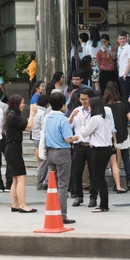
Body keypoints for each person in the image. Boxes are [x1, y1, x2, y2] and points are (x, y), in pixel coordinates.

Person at [41, 92, 78, 223]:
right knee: (63, 185)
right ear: (63, 105)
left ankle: (52, 211)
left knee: (53, 185)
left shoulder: (48, 117)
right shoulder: (62, 119)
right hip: (62, 153)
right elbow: (68, 138)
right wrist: (76, 137)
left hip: (50, 153)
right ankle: (62, 215)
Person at [5, 94, 38, 213]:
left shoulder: (11, 115)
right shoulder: (13, 116)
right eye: (22, 102)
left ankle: (15, 204)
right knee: (21, 177)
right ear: (16, 104)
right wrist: (32, 113)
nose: (24, 105)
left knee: (15, 179)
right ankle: (22, 205)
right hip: (13, 149)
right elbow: (29, 127)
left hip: (12, 148)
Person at [80, 97, 113, 213]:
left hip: (98, 150)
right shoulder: (105, 119)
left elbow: (84, 133)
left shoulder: (95, 119)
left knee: (98, 177)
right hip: (106, 149)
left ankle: (103, 205)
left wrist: (83, 122)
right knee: (100, 177)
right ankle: (104, 203)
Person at [69, 88, 98, 208]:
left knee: (93, 172)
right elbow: (68, 125)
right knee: (77, 171)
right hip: (79, 145)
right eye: (81, 99)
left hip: (91, 145)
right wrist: (71, 116)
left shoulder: (95, 112)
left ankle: (93, 197)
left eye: (85, 99)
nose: (83, 101)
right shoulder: (77, 111)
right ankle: (78, 196)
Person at [103, 82, 130, 191]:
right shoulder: (123, 105)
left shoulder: (104, 107)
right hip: (124, 135)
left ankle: (116, 184)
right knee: (126, 159)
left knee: (113, 161)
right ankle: (129, 182)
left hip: (111, 137)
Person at [0, 86, 12, 191]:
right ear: (2, 95)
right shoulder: (6, 106)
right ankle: (9, 182)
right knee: (8, 159)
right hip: (5, 134)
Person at [32, 95, 50, 190]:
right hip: (41, 138)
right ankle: (40, 182)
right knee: (44, 161)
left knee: (43, 160)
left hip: (35, 136)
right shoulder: (43, 112)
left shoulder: (34, 110)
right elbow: (44, 127)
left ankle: (42, 181)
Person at [117, 31, 130, 102]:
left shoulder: (129, 48)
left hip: (127, 75)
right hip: (121, 74)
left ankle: (129, 112)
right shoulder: (119, 48)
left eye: (123, 38)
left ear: (126, 39)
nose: (122, 40)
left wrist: (125, 75)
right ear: (118, 40)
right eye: (120, 39)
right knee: (124, 96)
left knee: (127, 96)